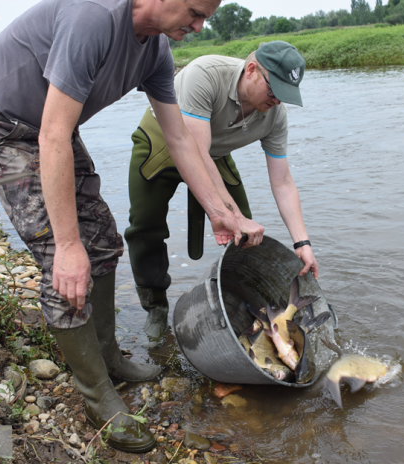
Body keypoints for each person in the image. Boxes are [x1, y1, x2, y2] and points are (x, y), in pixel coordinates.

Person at [0, 0, 256, 453]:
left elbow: (181, 139)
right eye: (196, 14)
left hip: (49, 126)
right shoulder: (93, 18)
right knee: (63, 254)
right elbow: (52, 136)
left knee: (105, 241)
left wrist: (222, 212)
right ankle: (96, 393)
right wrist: (68, 245)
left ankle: (109, 354)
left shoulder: (156, 49)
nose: (200, 27)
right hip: (1, 122)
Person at [126, 41, 319, 340]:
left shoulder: (274, 115)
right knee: (144, 227)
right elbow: (195, 153)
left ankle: (245, 308)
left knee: (248, 234)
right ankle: (156, 308)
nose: (278, 101)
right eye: (274, 90)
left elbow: (282, 182)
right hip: (162, 143)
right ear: (252, 70)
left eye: (285, 95)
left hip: (212, 154)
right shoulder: (206, 74)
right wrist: (230, 214)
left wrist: (302, 242)